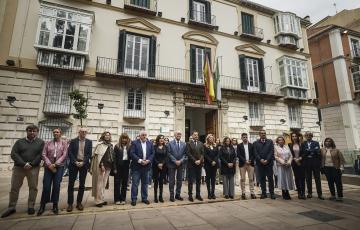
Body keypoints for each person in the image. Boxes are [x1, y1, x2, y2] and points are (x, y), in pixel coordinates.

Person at [1, 125, 45, 218]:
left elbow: (40, 155)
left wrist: (32, 164)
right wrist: (23, 164)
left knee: (33, 187)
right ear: (27, 131)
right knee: (14, 188)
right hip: (19, 168)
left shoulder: (41, 142)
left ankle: (31, 206)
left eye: (34, 131)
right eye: (30, 131)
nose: (32, 132)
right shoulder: (19, 142)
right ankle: (11, 207)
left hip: (33, 168)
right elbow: (14, 154)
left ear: (37, 132)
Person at [37, 128, 68, 216]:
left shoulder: (64, 143)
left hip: (59, 167)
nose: (55, 133)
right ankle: (42, 205)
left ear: (60, 133)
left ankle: (55, 205)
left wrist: (56, 163)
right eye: (54, 132)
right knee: (46, 186)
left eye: (57, 132)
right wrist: (49, 164)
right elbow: (43, 154)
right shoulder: (48, 143)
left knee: (56, 186)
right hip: (48, 167)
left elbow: (65, 154)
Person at [66, 128, 92, 212]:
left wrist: (84, 162)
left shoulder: (89, 142)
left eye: (85, 132)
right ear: (79, 132)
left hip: (83, 165)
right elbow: (69, 152)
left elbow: (89, 154)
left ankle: (79, 203)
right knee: (71, 184)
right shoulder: (73, 141)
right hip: (74, 165)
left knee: (82, 184)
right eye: (82, 132)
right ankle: (70, 204)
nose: (84, 133)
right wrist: (75, 161)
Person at [90, 131, 115, 207]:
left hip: (108, 166)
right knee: (99, 183)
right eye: (106, 135)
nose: (107, 136)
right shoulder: (100, 144)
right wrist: (101, 165)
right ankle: (97, 200)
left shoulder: (110, 145)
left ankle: (102, 199)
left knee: (104, 183)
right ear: (103, 136)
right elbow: (99, 157)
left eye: (109, 135)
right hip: (101, 166)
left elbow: (111, 155)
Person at [129, 130, 154, 206]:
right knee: (135, 184)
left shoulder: (150, 143)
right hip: (137, 167)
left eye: (145, 135)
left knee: (145, 184)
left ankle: (144, 198)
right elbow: (132, 153)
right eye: (142, 135)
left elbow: (153, 153)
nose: (144, 136)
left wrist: (148, 160)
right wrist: (140, 160)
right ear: (139, 135)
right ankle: (134, 199)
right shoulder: (134, 143)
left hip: (146, 167)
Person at [300, 131, 324, 200]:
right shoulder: (303, 143)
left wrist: (309, 150)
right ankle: (309, 193)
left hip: (315, 163)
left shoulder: (316, 143)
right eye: (307, 135)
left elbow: (318, 151)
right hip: (307, 164)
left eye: (309, 135)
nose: (308, 136)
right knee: (308, 179)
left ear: (312, 136)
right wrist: (313, 150)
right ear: (305, 136)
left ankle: (320, 194)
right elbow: (303, 152)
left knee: (317, 179)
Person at [253, 129, 275, 199]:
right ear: (259, 135)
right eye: (262, 133)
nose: (263, 134)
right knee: (262, 179)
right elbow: (255, 153)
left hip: (269, 163)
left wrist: (267, 160)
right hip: (260, 164)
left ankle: (272, 193)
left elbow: (271, 151)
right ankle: (263, 193)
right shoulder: (255, 143)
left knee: (270, 179)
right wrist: (260, 159)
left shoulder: (270, 142)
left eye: (264, 133)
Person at [167, 131, 186, 202]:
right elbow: (169, 153)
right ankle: (171, 196)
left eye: (180, 134)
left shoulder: (184, 144)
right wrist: (175, 161)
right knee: (172, 181)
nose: (179, 135)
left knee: (179, 181)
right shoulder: (170, 143)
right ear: (174, 135)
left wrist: (180, 161)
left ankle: (177, 195)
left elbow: (185, 154)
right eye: (178, 134)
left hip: (180, 164)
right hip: (172, 164)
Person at [113, 133, 131, 205]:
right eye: (123, 138)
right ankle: (117, 199)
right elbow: (114, 158)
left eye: (126, 138)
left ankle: (123, 199)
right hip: (118, 167)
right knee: (117, 183)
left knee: (124, 184)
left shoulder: (129, 146)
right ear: (121, 138)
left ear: (127, 139)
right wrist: (114, 168)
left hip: (126, 166)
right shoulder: (117, 146)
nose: (124, 139)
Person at [186, 131, 204, 202]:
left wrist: (200, 160)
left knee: (198, 181)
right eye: (195, 135)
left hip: (199, 165)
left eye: (197, 135)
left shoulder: (201, 143)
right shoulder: (189, 143)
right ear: (192, 136)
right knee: (190, 181)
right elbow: (188, 153)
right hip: (191, 165)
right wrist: (195, 161)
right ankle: (190, 195)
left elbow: (203, 153)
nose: (196, 136)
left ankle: (198, 194)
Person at [237, 133, 256, 199]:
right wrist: (245, 161)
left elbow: (254, 154)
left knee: (251, 179)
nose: (245, 138)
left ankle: (252, 193)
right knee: (242, 179)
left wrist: (250, 160)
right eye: (244, 137)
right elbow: (238, 155)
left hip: (250, 164)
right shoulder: (239, 146)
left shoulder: (251, 145)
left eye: (246, 137)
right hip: (243, 164)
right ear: (241, 138)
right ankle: (243, 193)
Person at [289, 133, 306, 199]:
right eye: (293, 136)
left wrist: (300, 158)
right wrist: (294, 159)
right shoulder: (290, 145)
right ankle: (299, 193)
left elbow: (305, 153)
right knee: (297, 178)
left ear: (297, 137)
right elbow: (289, 154)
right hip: (294, 163)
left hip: (301, 162)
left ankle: (303, 193)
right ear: (291, 137)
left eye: (295, 136)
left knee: (302, 178)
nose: (294, 137)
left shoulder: (302, 144)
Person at [152, 135, 168, 203]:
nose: (161, 140)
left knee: (161, 182)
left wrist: (162, 164)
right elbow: (153, 156)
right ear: (158, 139)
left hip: (163, 166)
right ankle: (155, 197)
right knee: (156, 182)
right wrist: (158, 163)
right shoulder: (154, 147)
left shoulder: (166, 147)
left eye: (163, 138)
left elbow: (166, 157)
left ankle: (160, 197)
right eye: (160, 138)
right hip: (156, 166)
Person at [204, 134, 219, 199]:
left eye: (212, 138)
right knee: (208, 179)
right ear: (207, 139)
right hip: (208, 165)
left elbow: (218, 154)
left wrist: (214, 161)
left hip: (214, 165)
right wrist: (211, 161)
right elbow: (205, 155)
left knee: (213, 179)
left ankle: (213, 193)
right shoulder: (205, 146)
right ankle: (209, 194)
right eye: (210, 138)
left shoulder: (215, 146)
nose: (211, 139)